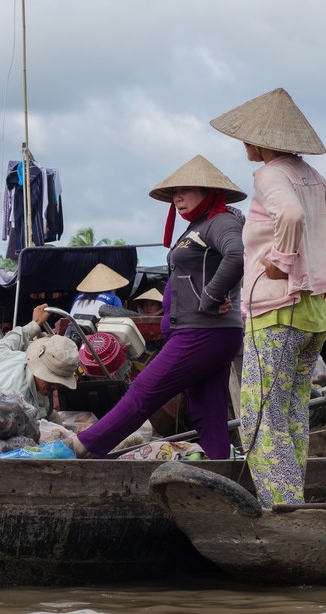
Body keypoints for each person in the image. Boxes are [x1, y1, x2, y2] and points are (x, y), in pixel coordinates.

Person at [211, 88, 326, 506]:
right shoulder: (310, 175)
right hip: (312, 315)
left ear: (263, 141)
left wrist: (283, 260)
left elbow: (291, 216)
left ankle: (279, 505)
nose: (243, 144)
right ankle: (291, 498)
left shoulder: (271, 174)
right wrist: (313, 261)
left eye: (247, 137)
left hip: (277, 311)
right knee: (292, 413)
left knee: (260, 417)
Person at [68, 154, 246, 460]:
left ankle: (84, 446)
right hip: (202, 332)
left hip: (203, 332)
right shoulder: (198, 226)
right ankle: (222, 471)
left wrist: (211, 297)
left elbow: (237, 255)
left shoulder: (221, 221)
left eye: (185, 190)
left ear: (208, 191)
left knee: (144, 392)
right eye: (174, 192)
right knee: (207, 411)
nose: (177, 197)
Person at [0, 303, 80, 420]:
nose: (55, 386)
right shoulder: (18, 401)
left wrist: (35, 325)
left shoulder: (16, 358)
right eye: (52, 380)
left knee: (56, 419)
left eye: (59, 382)